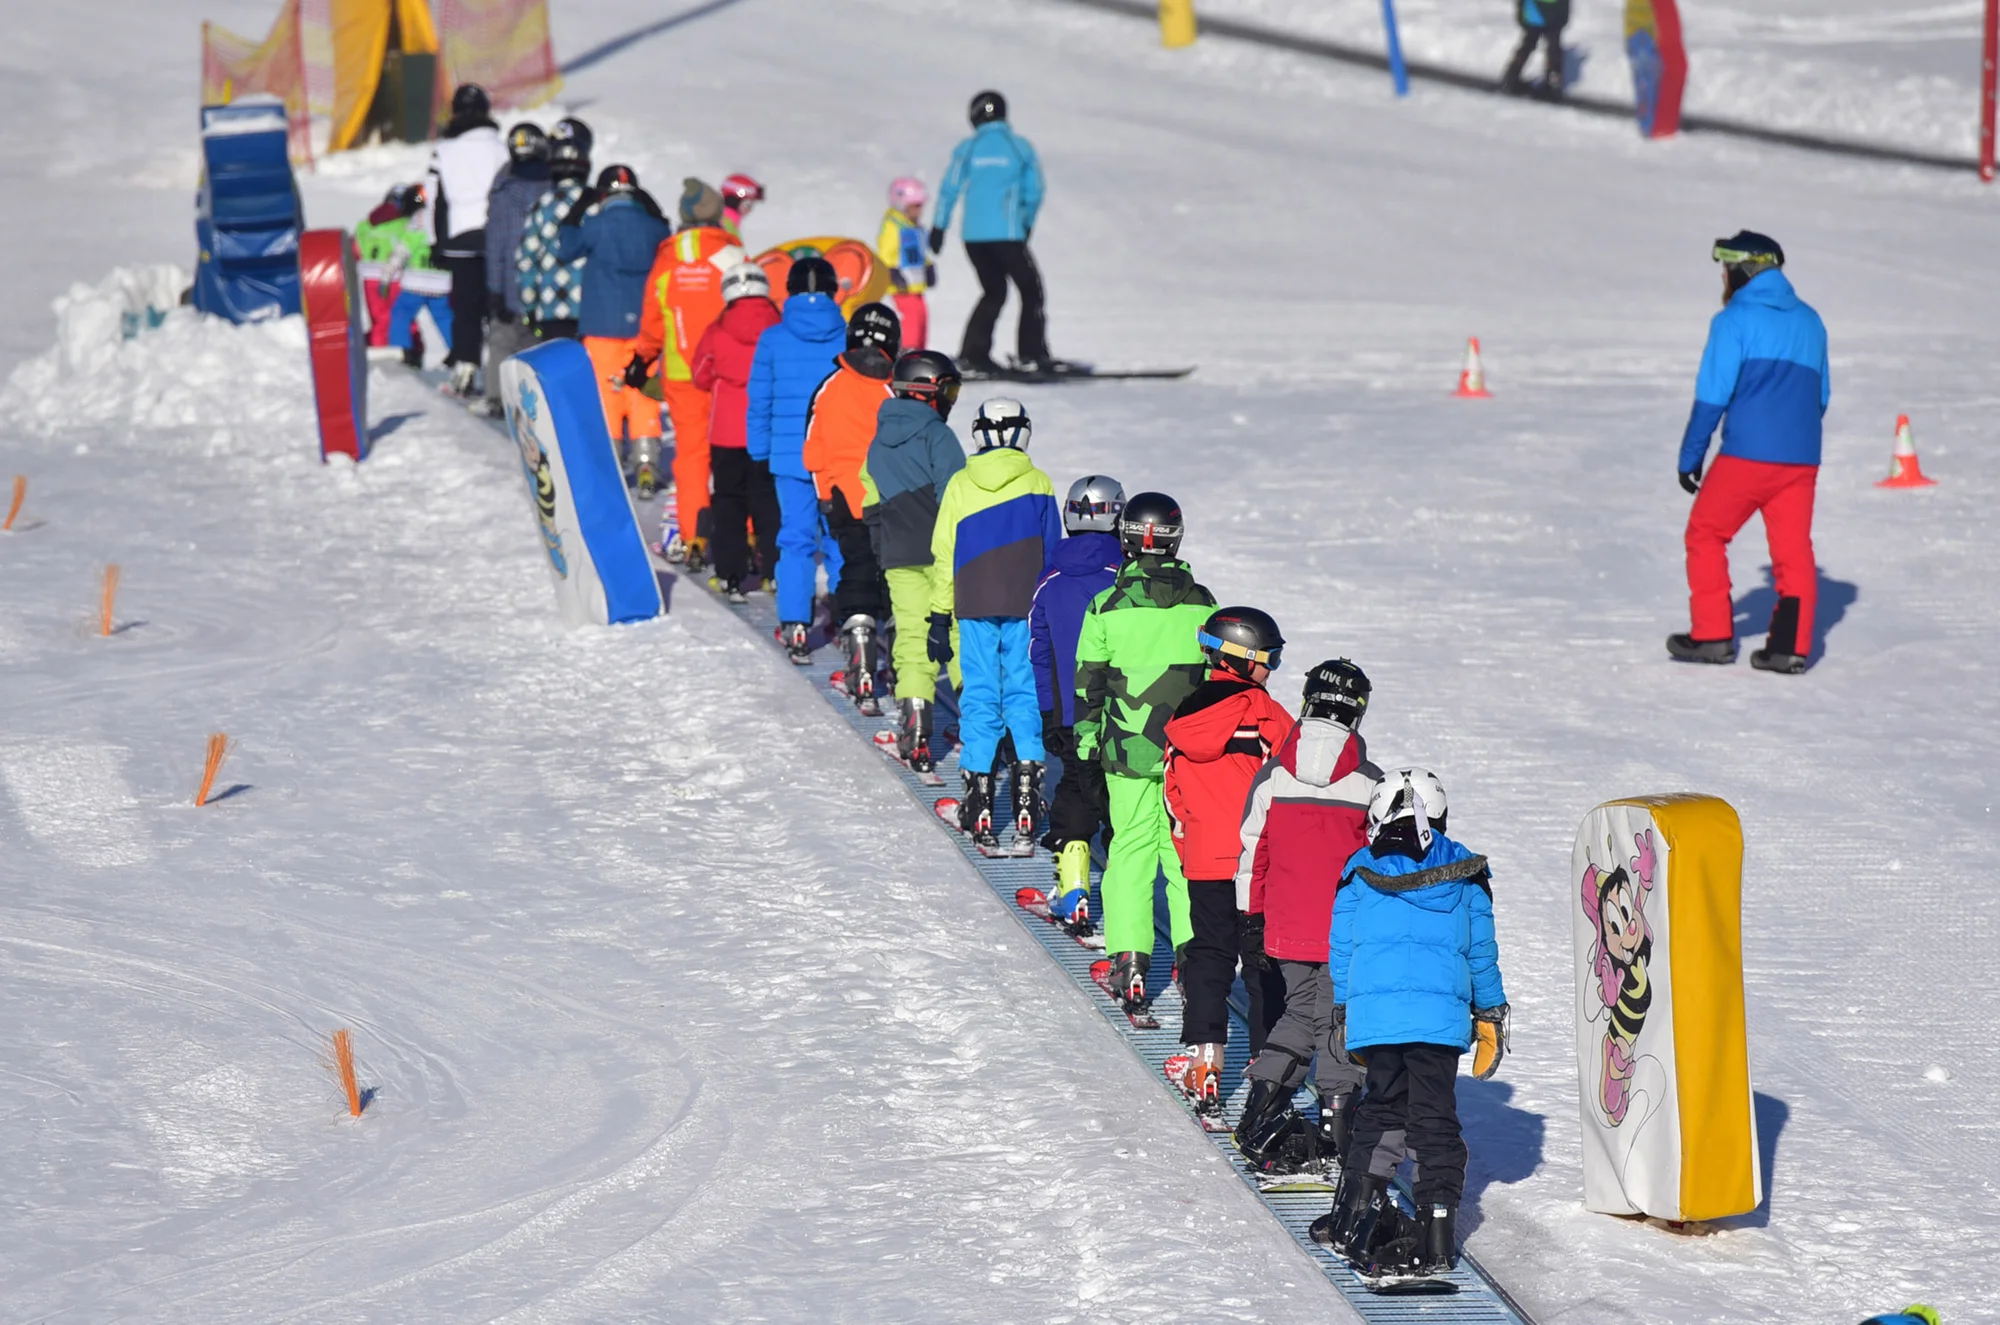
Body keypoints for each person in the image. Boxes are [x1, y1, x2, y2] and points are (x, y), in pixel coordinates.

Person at [1314, 769, 1509, 1285]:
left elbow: (1342, 947)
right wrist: (1490, 1012)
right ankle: (1437, 1234)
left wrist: (1344, 1008)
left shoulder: (1359, 869)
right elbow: (1481, 952)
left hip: (1376, 1018)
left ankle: (1353, 1214)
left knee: (1380, 1109)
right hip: (1438, 1022)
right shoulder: (1465, 871)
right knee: (1434, 1120)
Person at [1229, 660, 1378, 1174]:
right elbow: (1379, 867)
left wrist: (1250, 918)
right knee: (1338, 1022)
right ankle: (1338, 1124)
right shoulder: (1369, 786)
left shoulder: (1272, 777)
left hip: (1286, 929)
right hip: (1346, 933)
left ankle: (1261, 1104)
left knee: (1299, 1014)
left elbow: (1253, 852)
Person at [1072, 493, 1216, 1019]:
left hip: (1127, 753)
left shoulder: (1106, 605)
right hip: (1192, 758)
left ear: (1127, 537)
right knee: (1183, 859)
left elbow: (1088, 686)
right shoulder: (1204, 604)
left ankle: (1129, 962)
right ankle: (1192, 961)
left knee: (1131, 853)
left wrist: (1086, 750)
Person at [1669, 230, 1829, 675]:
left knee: (1705, 534)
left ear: (1743, 269)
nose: (1722, 274)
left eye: (1725, 266)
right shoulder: (1811, 321)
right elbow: (1821, 396)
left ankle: (1712, 636)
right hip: (1800, 460)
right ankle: (1789, 648)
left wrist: (1690, 458)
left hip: (1746, 457)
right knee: (1793, 553)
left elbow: (1712, 398)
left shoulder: (1733, 321)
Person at [1160, 608, 1295, 1111]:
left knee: (1210, 954)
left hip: (1204, 860)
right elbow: (1290, 785)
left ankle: (1206, 1058)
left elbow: (1173, 797)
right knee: (1262, 967)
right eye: (1271, 659)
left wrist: (1189, 847)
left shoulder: (1182, 719)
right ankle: (1268, 1073)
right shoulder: (1266, 715)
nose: (1273, 669)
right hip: (1256, 864)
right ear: (1243, 659)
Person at [929, 399, 1063, 854]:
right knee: (1024, 694)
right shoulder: (1039, 482)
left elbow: (944, 552)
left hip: (973, 603)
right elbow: (1051, 553)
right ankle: (1028, 800)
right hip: (1025, 605)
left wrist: (937, 612)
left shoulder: (961, 483)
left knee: (982, 695)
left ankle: (979, 803)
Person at [629, 179, 746, 553]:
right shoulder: (730, 255)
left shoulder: (666, 258)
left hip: (681, 374)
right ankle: (743, 535)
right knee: (734, 452)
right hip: (728, 374)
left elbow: (652, 319)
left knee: (692, 454)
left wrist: (643, 358)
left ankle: (694, 534)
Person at [1030, 475, 1125, 932]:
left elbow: (1041, 650)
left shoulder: (1049, 579)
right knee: (1123, 801)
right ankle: (1126, 896)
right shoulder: (1127, 577)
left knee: (1074, 788)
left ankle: (1073, 889)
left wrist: (1050, 711)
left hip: (1072, 714)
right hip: (1126, 713)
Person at [865, 350, 967, 775]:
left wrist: (881, 544)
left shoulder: (878, 437)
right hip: (944, 555)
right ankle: (977, 726)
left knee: (910, 637)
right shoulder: (938, 437)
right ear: (926, 390)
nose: (950, 399)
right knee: (961, 637)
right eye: (948, 390)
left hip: (899, 553)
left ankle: (916, 728)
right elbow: (956, 495)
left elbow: (869, 495)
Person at [747, 257, 850, 660]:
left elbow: (760, 401)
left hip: (790, 456)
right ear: (831, 290)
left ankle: (795, 623)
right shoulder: (847, 335)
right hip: (839, 456)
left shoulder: (772, 339)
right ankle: (847, 618)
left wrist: (759, 450)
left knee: (796, 540)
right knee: (841, 540)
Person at [801, 302, 900, 712]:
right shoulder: (894, 390)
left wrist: (825, 492)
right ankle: (900, 661)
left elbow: (813, 448)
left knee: (856, 570)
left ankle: (859, 660)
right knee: (897, 578)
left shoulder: (831, 386)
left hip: (844, 497)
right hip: (893, 500)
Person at [556, 164, 672, 486]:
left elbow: (566, 249)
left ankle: (610, 463)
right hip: (645, 329)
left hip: (601, 325)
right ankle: (647, 460)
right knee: (643, 393)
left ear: (602, 194)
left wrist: (576, 210)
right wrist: (653, 208)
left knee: (607, 394)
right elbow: (667, 238)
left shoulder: (596, 224)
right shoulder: (652, 227)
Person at [931, 90, 1049, 375]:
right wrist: (1026, 224)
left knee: (993, 291)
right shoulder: (1018, 147)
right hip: (1007, 234)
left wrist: (939, 227)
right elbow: (1035, 191)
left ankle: (973, 354)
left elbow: (949, 189)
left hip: (973, 237)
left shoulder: (968, 148)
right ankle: (1030, 354)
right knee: (1030, 291)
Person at [691, 263, 784, 601]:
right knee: (769, 501)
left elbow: (700, 374)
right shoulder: (779, 328)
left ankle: (731, 574)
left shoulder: (717, 331)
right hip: (770, 428)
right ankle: (775, 571)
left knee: (728, 501)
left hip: (727, 431)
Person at [423, 84, 509, 396]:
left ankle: (466, 366)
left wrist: (435, 240)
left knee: (466, 308)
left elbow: (434, 198)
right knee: (498, 305)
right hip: (498, 237)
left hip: (459, 237)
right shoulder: (501, 148)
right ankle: (502, 372)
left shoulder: (444, 150)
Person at [479, 122, 549, 416]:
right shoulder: (554, 183)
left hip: (510, 282)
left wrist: (494, 288)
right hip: (550, 283)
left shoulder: (505, 187)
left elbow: (497, 244)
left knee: (503, 340)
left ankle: (497, 397)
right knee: (540, 342)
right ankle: (541, 397)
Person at [517, 117, 592, 341]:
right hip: (591, 309)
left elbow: (526, 261)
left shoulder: (542, 206)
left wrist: (529, 307)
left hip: (551, 308)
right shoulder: (596, 204)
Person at [382, 188, 453, 370]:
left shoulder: (417, 220)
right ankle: (457, 351)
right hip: (441, 282)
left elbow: (402, 250)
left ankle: (401, 349)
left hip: (416, 281)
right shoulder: (448, 214)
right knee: (445, 318)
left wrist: (387, 275)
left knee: (401, 314)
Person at [355, 184, 421, 352]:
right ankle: (410, 351)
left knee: (380, 319)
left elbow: (354, 249)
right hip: (397, 278)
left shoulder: (366, 224)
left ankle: (378, 351)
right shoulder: (408, 223)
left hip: (370, 278)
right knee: (403, 317)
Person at [877, 176, 934, 351]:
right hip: (902, 288)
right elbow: (885, 252)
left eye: (920, 206)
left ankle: (920, 354)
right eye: (915, 206)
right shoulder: (893, 226)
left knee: (922, 319)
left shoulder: (913, 226)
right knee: (912, 323)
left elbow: (917, 252)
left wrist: (928, 266)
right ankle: (908, 354)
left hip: (915, 287)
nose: (919, 211)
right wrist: (891, 272)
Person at [1501, 0, 1569, 99]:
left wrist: (1521, 14)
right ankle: (1553, 82)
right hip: (1553, 16)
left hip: (1533, 13)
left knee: (1527, 45)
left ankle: (1511, 77)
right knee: (1553, 49)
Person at [720, 173, 765, 243]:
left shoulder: (722, 217)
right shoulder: (725, 222)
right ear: (734, 200)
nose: (750, 210)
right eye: (748, 205)